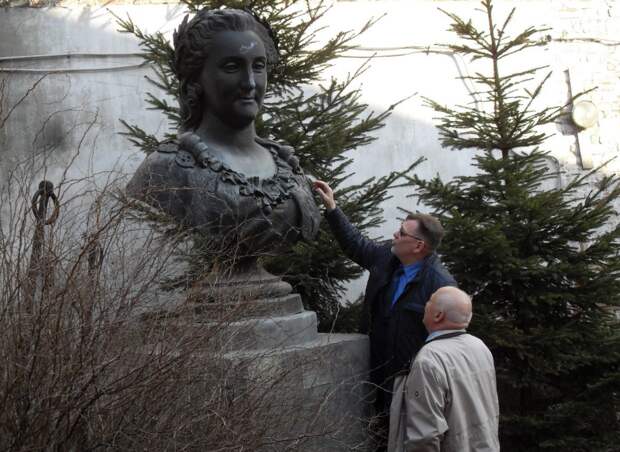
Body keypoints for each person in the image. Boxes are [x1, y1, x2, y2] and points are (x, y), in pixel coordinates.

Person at [127, 8, 319, 265]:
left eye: (259, 66)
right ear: (196, 80)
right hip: (223, 301)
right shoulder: (166, 169)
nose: (250, 82)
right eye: (232, 67)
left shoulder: (288, 166)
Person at [314, 180, 456, 449]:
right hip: (376, 372)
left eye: (401, 233)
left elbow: (448, 343)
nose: (394, 235)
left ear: (418, 246)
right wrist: (332, 208)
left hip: (411, 383)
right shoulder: (387, 259)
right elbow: (356, 244)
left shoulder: (439, 285)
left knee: (406, 441)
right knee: (379, 437)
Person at [388, 287, 500, 452]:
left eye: (430, 301)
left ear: (438, 315)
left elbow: (425, 436)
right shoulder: (479, 346)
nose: (425, 303)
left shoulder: (429, 359)